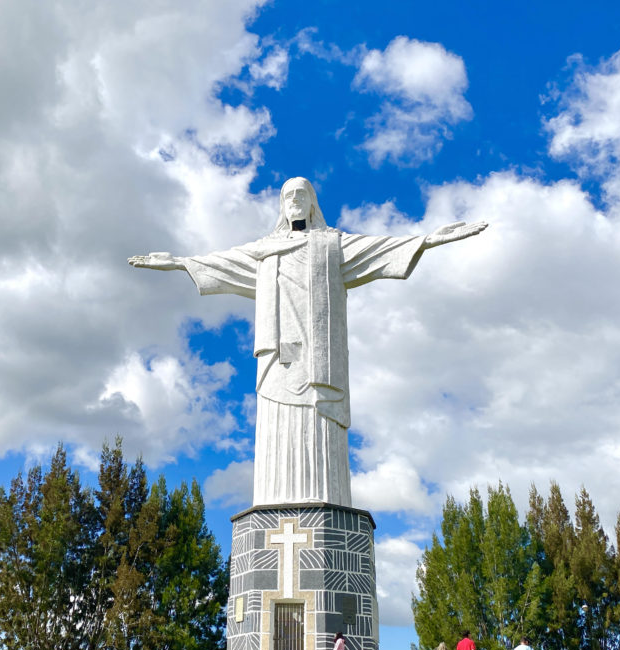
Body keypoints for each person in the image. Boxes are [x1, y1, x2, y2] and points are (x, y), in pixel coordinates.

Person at [129, 177, 487, 508]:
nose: (295, 201)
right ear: (282, 206)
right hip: (277, 363)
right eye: (288, 196)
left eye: (302, 194)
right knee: (276, 438)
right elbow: (220, 262)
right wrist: (178, 263)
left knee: (320, 441)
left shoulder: (332, 245)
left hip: (320, 363)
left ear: (313, 202)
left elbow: (381, 249)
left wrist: (427, 239)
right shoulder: (264, 251)